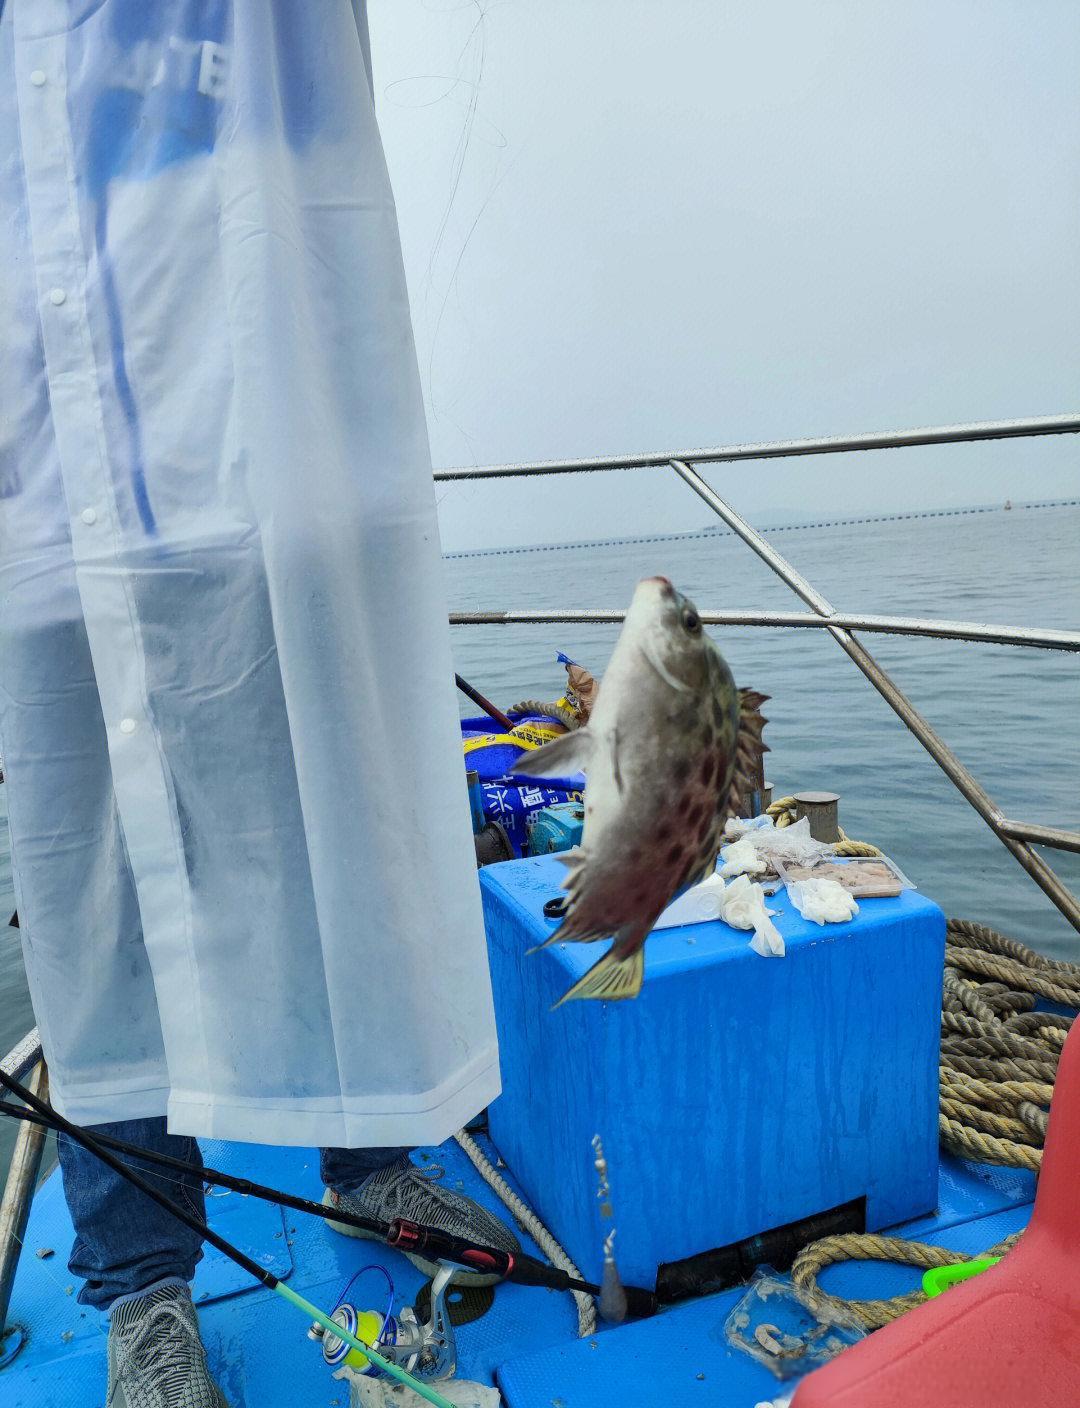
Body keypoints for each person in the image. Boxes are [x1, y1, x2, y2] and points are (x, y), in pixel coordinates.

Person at [0, 5, 516, 1404]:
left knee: (333, 819)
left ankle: (379, 1150)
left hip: (258, 452)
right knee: (99, 910)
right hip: (47, 510)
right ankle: (142, 1287)